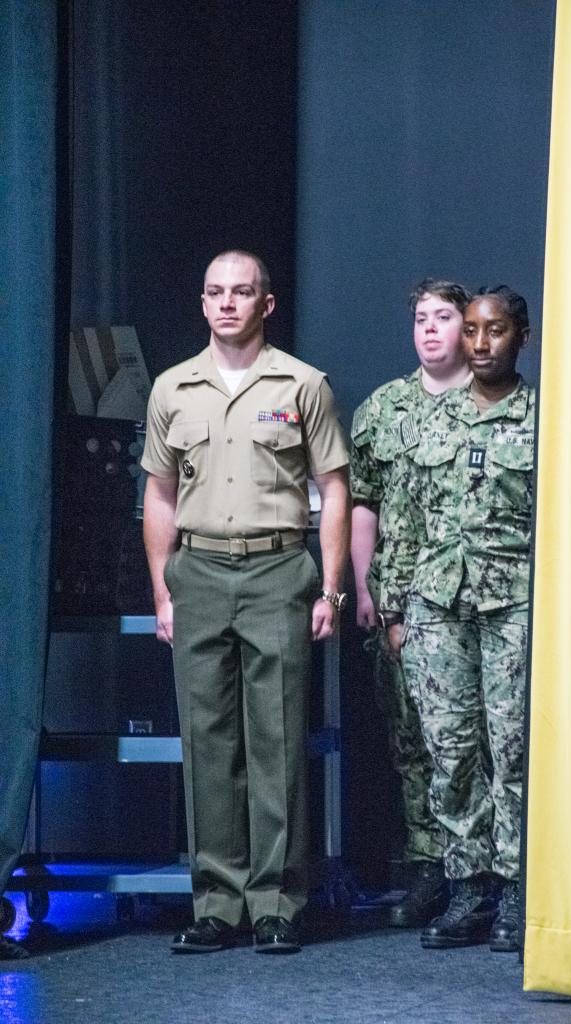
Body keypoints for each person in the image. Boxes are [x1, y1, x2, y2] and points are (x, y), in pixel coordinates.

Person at [142, 250, 350, 954]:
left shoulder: (302, 384)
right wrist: (161, 590)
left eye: (242, 292)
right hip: (197, 572)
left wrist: (331, 586)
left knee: (278, 739)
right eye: (214, 292)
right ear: (202, 304)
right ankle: (216, 903)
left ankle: (277, 901)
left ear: (266, 304)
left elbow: (334, 488)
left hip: (277, 569)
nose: (227, 302)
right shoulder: (173, 388)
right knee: (208, 742)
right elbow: (160, 495)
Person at [380, 286, 534, 953]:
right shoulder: (432, 421)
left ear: (519, 336)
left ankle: (514, 886)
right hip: (438, 606)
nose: (478, 343)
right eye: (469, 329)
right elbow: (404, 517)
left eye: (493, 330)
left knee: (513, 751)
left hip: (513, 604)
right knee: (450, 753)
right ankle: (466, 884)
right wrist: (392, 604)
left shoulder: (542, 417)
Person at [350, 279, 471, 926]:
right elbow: (360, 503)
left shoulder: (494, 404)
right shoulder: (384, 409)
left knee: (473, 745)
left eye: (443, 317)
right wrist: (365, 586)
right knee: (411, 742)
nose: (429, 329)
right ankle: (427, 868)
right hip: (399, 605)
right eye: (420, 318)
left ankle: (479, 873)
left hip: (473, 607)